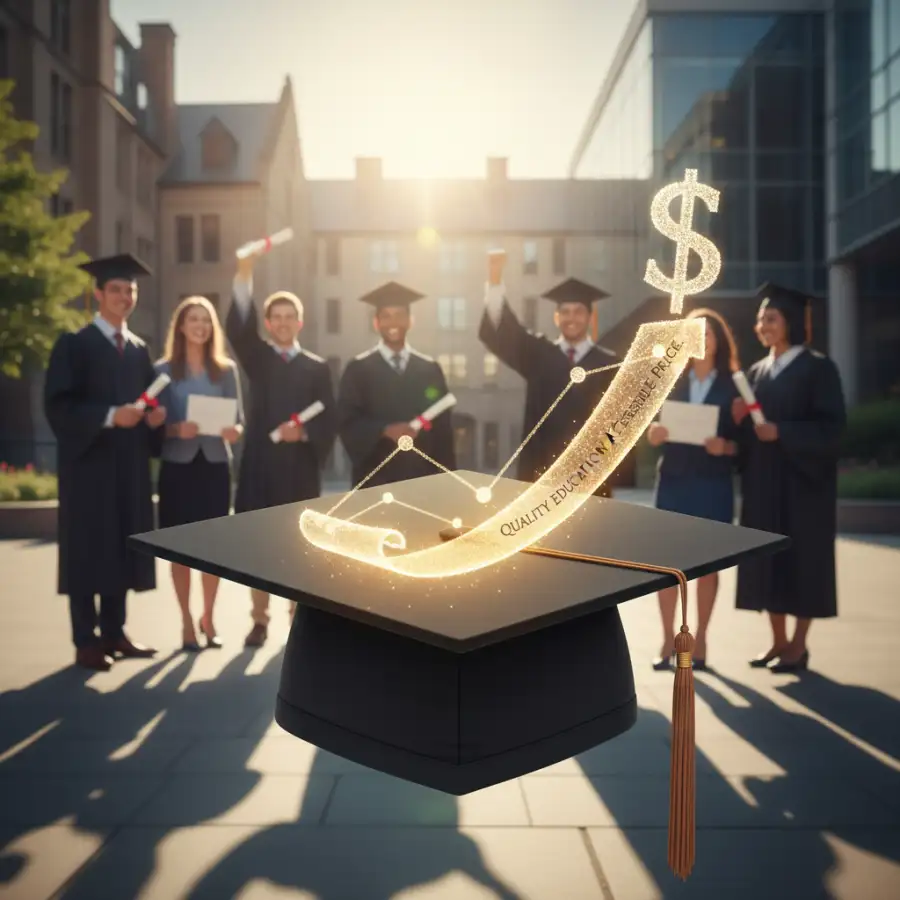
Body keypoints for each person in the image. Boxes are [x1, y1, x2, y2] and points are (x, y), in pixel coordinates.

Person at [43, 253, 166, 672]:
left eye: (130, 290)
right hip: (88, 470)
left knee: (121, 546)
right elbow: (58, 407)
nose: (124, 296)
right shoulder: (74, 346)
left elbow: (148, 403)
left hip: (128, 468)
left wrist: (153, 419)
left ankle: (115, 632)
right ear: (97, 294)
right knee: (86, 550)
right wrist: (112, 416)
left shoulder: (137, 351)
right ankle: (86, 640)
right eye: (115, 289)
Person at [733, 282, 846, 673]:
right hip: (764, 486)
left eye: (772, 318)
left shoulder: (818, 368)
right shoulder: (756, 372)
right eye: (761, 319)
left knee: (803, 563)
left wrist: (784, 432)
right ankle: (778, 642)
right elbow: (748, 439)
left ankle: (799, 645)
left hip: (803, 488)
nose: (763, 325)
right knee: (769, 563)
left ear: (792, 322)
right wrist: (739, 423)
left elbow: (832, 430)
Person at [227, 252, 337, 648]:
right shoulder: (259, 359)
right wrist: (244, 273)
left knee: (299, 546)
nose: (284, 322)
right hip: (261, 466)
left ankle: (297, 617)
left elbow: (331, 417)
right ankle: (259, 618)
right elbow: (239, 330)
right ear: (269, 324)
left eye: (291, 316)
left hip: (299, 471)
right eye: (277, 317)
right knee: (261, 546)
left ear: (300, 322)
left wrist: (304, 434)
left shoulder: (317, 367)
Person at [478, 250, 622, 497]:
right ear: (556, 317)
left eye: (578, 311)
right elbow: (503, 332)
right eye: (565, 312)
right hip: (541, 473)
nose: (571, 318)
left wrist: (602, 459)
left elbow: (619, 422)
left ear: (590, 317)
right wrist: (494, 281)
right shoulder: (539, 355)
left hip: (591, 476)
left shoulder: (609, 364)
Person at [646, 308, 741, 671]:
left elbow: (745, 444)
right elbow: (654, 424)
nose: (702, 343)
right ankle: (667, 639)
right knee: (667, 566)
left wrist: (727, 447)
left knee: (708, 566)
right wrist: (654, 433)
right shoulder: (671, 380)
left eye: (709, 336)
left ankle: (700, 641)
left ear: (718, 342)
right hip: (673, 480)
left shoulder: (734, 385)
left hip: (712, 482)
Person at [155, 296, 244, 652]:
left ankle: (209, 617)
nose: (200, 325)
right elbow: (153, 426)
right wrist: (176, 430)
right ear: (181, 325)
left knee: (213, 549)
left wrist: (234, 432)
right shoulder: (161, 371)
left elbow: (239, 420)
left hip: (215, 465)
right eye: (193, 319)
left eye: (206, 320)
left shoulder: (226, 370)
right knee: (180, 549)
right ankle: (186, 623)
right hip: (177, 466)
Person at [338, 282, 456, 488]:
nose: (394, 322)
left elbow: (444, 434)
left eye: (400, 315)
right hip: (374, 482)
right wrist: (384, 430)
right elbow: (347, 423)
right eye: (386, 316)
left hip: (422, 481)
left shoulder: (429, 370)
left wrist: (449, 483)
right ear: (376, 323)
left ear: (410, 321)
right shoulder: (358, 370)